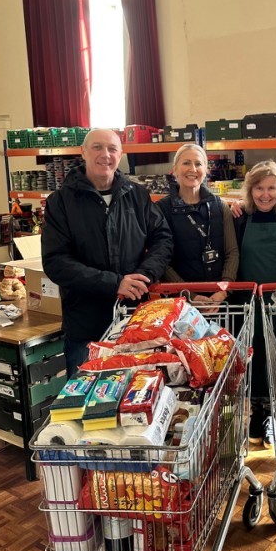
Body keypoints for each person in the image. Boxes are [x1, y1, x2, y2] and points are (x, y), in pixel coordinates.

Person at [42, 128, 174, 377]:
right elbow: (56, 262)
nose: (105, 154)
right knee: (83, 405)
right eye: (97, 147)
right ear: (83, 152)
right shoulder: (60, 202)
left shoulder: (136, 195)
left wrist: (143, 276)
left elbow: (163, 239)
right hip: (85, 328)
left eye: (112, 148)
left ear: (121, 154)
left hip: (134, 325)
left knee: (134, 402)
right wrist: (115, 283)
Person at [233, 160, 276, 448]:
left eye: (271, 188)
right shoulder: (240, 217)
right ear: (250, 190)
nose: (265, 194)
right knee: (254, 356)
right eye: (259, 188)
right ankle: (257, 414)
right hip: (248, 301)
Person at [157, 143, 239, 315]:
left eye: (198, 163)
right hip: (181, 305)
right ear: (175, 170)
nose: (192, 169)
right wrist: (190, 295)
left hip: (221, 303)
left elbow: (232, 252)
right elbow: (162, 260)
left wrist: (223, 291)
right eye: (186, 163)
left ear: (206, 170)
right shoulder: (161, 210)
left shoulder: (220, 206)